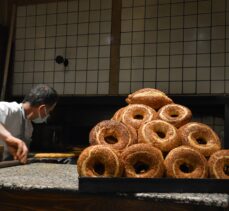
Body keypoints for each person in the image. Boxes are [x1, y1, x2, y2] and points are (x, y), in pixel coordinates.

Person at [0, 84, 58, 164]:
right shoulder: (7, 109)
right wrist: (8, 138)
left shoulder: (29, 127)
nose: (48, 115)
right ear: (42, 109)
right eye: (49, 111)